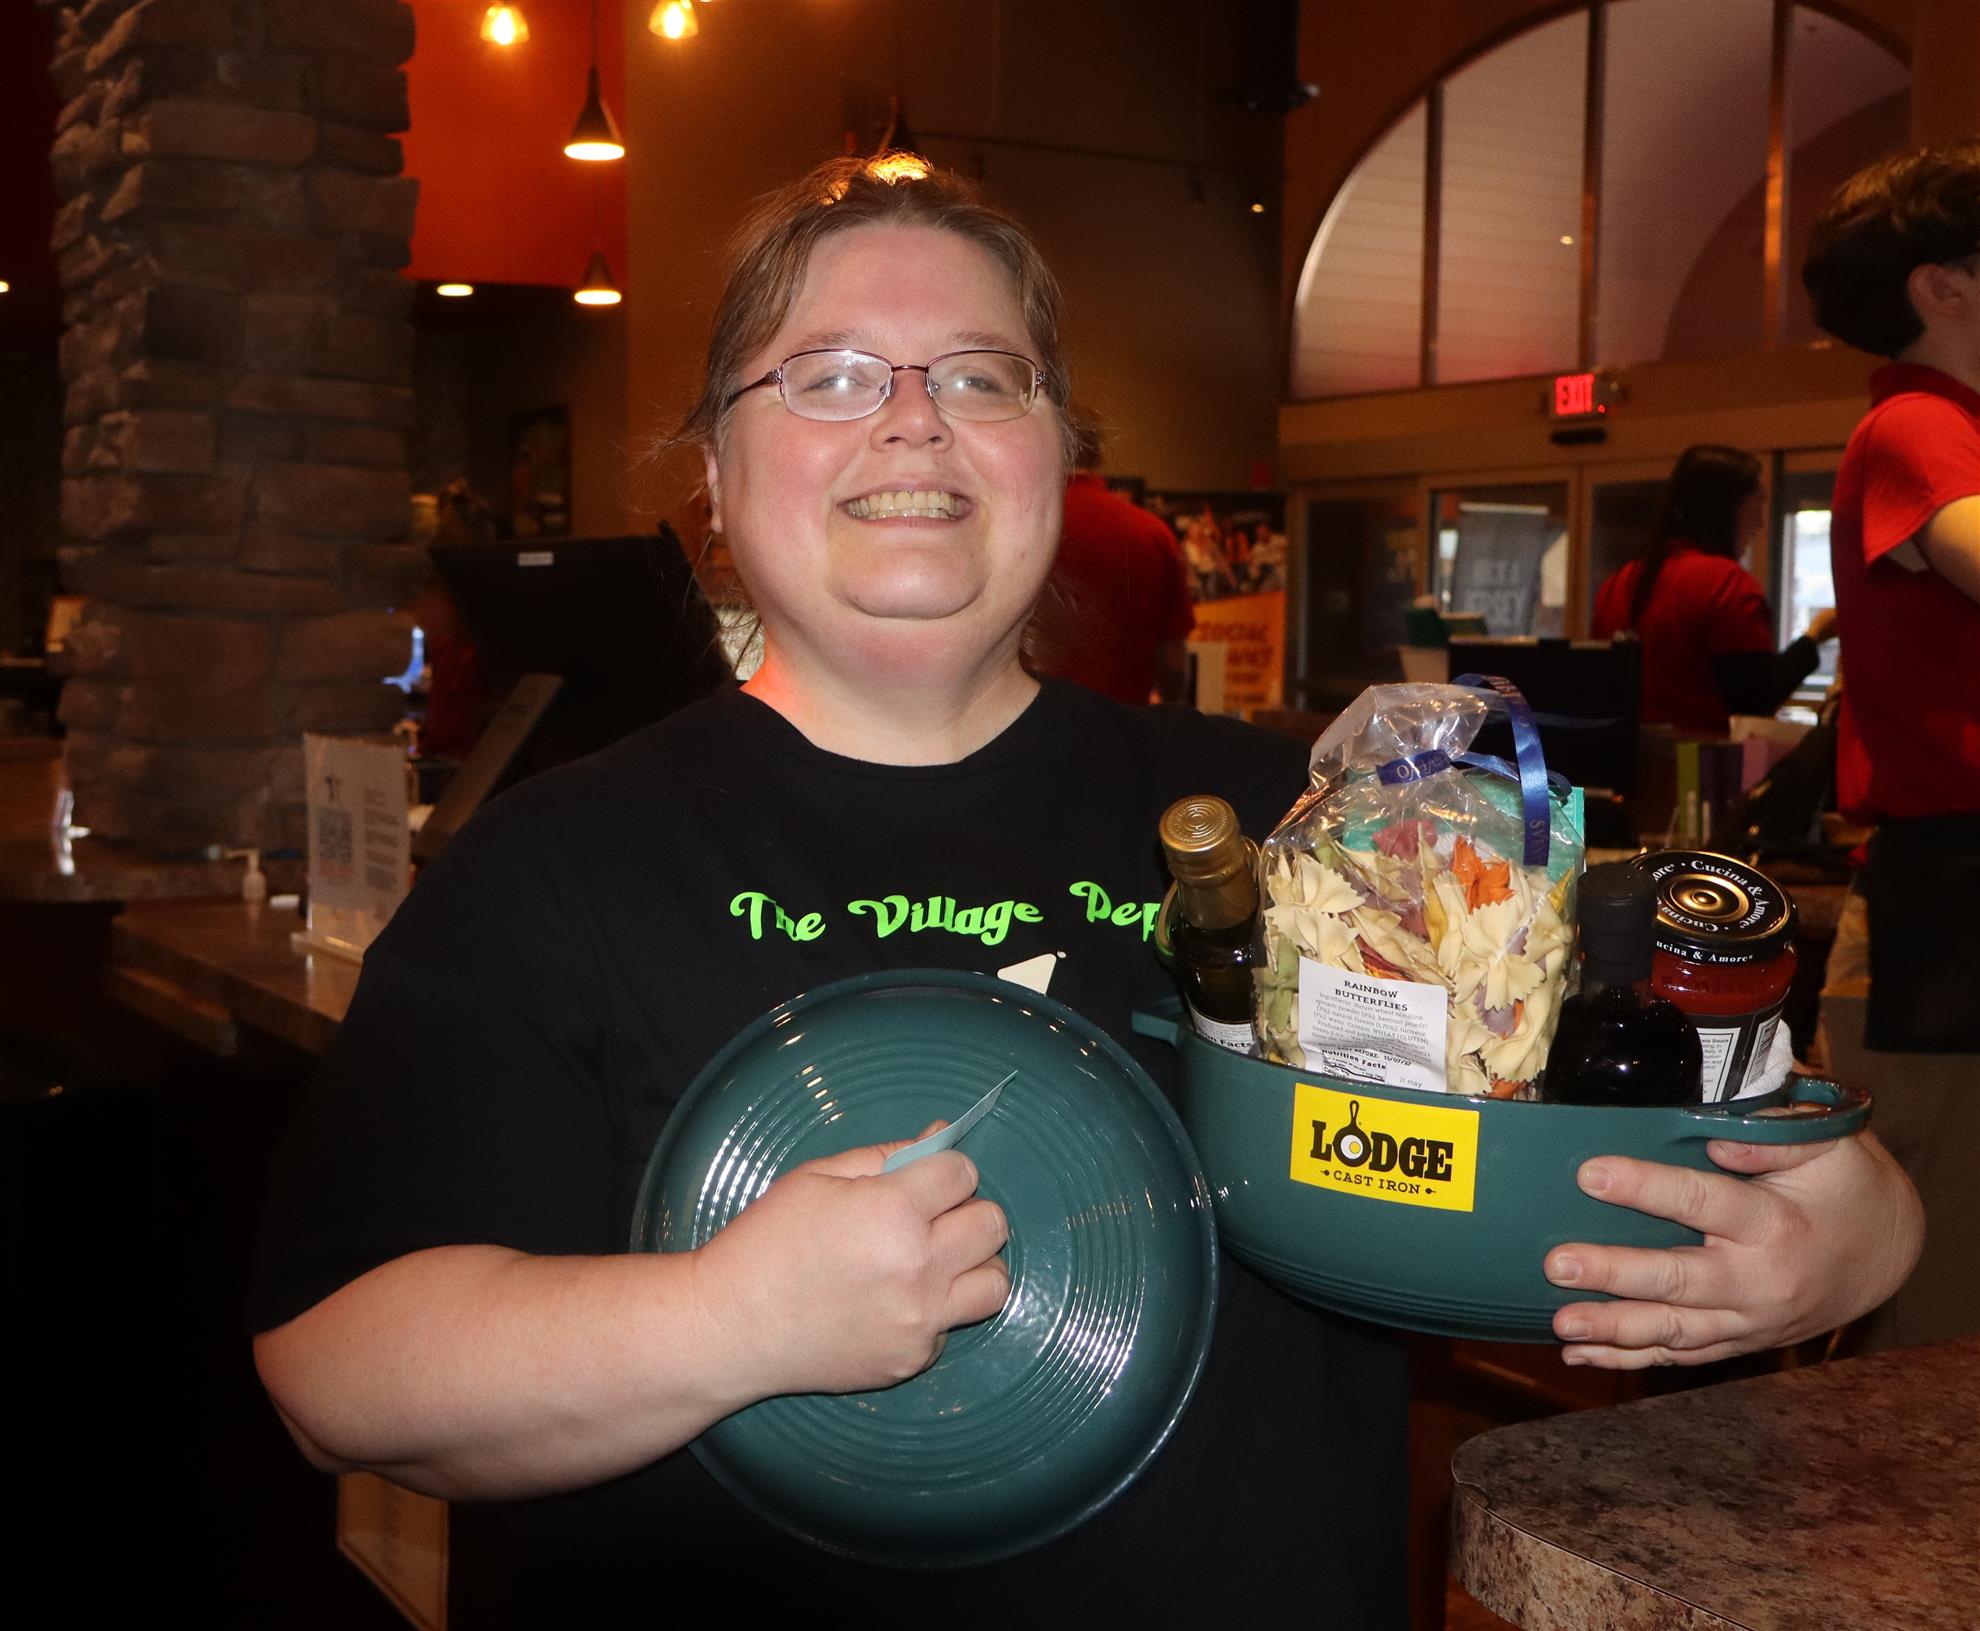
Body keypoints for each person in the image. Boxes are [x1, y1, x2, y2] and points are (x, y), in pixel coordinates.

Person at [250, 154, 1921, 1627]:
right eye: (829, 375)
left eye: (983, 376)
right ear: (713, 467)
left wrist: (1838, 1240)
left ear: (1061, 453)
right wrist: (723, 1318)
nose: (914, 417)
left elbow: (1739, 1143)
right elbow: (339, 1373)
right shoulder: (556, 866)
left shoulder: (1314, 829)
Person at [1800, 139, 1980, 1350]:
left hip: (1947, 899)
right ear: (1942, 284)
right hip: (1947, 907)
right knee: (1935, 1298)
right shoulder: (1920, 421)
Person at [1591, 444, 1837, 736]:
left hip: (1622, 758)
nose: (1760, 523)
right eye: (1756, 507)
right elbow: (1756, 699)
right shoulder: (1725, 585)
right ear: (1727, 509)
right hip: (1693, 757)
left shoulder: (1620, 583)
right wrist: (1814, 635)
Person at [1031, 423, 1194, 704]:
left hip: (1033, 719)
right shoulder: (1153, 533)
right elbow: (1173, 663)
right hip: (1127, 718)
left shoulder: (1025, 526)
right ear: (1098, 456)